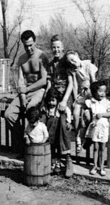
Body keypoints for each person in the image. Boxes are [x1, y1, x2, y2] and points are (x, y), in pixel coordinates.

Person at [4, 30, 49, 157]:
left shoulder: (42, 56)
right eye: (26, 45)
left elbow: (44, 80)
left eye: (31, 45)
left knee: (30, 111)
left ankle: (33, 149)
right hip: (25, 92)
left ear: (35, 41)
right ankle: (23, 144)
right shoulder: (21, 59)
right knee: (9, 114)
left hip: (38, 91)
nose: (29, 48)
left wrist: (26, 91)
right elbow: (20, 81)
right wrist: (23, 97)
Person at [44, 35, 74, 177]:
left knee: (63, 124)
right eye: (53, 47)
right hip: (55, 97)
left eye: (58, 47)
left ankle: (68, 159)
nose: (56, 49)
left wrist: (64, 101)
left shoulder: (66, 62)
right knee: (50, 122)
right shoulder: (51, 65)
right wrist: (46, 98)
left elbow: (71, 83)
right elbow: (49, 84)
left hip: (65, 98)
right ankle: (54, 160)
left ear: (62, 48)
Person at [63, 50, 97, 154]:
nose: (73, 63)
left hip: (92, 93)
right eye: (70, 62)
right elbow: (75, 85)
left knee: (89, 116)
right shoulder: (72, 70)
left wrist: (93, 96)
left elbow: (93, 80)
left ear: (77, 55)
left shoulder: (88, 65)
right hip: (82, 95)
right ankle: (77, 138)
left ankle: (87, 138)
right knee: (76, 113)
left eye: (73, 60)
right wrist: (75, 99)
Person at [84, 80, 110, 176]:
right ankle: (94, 166)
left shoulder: (107, 103)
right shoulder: (91, 102)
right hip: (95, 127)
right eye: (100, 91)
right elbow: (87, 112)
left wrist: (102, 114)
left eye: (104, 91)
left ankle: (102, 167)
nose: (102, 93)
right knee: (96, 148)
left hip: (104, 128)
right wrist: (88, 119)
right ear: (94, 92)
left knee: (102, 148)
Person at [41, 87, 72, 176]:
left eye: (53, 100)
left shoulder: (60, 107)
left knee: (58, 147)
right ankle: (52, 164)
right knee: (51, 147)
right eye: (49, 101)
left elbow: (68, 112)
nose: (51, 103)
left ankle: (57, 165)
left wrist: (68, 122)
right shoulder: (46, 108)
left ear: (57, 100)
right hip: (50, 130)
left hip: (58, 130)